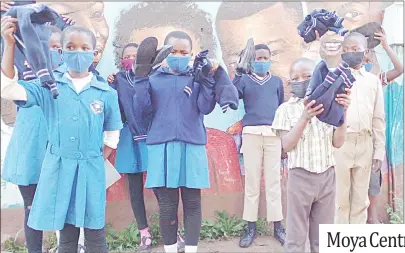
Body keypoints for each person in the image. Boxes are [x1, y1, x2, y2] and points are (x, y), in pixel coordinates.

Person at [1, 22, 122, 252]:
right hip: (59, 170)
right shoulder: (48, 86)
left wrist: (93, 159)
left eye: (84, 47)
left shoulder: (106, 93)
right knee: (67, 236)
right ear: (62, 51)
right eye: (71, 46)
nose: (78, 52)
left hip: (92, 170)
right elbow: (9, 90)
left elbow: (112, 137)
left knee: (96, 235)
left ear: (94, 53)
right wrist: (8, 45)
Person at [132, 31, 217, 253]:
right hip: (162, 147)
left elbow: (206, 107)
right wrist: (141, 78)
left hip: (192, 145)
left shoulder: (196, 77)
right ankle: (170, 249)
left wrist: (207, 80)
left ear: (191, 54)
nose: (178, 55)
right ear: (164, 52)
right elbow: (141, 112)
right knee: (168, 206)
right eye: (173, 51)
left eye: (184, 52)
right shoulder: (153, 78)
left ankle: (191, 250)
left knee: (192, 203)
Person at [107, 42, 185, 252]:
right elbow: (113, 108)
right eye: (127, 55)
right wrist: (109, 84)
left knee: (162, 190)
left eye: (135, 55)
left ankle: (172, 231)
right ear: (121, 59)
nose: (131, 58)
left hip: (152, 138)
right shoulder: (118, 80)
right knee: (135, 191)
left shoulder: (152, 77)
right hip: (128, 139)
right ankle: (144, 234)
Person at [271, 57, 351, 252]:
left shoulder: (329, 105)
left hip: (326, 177)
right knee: (296, 239)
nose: (302, 81)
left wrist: (343, 113)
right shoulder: (285, 110)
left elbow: (338, 142)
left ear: (317, 77)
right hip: (300, 178)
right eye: (296, 78)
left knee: (322, 239)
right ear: (289, 83)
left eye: (307, 76)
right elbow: (286, 145)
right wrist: (305, 117)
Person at [1, 21, 66, 253]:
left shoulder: (74, 81)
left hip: (62, 152)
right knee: (32, 209)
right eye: (45, 47)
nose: (52, 52)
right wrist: (9, 45)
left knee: (65, 207)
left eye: (58, 47)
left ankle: (67, 247)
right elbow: (7, 85)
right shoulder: (30, 83)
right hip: (30, 151)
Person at [233, 43, 285, 247]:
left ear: (270, 59)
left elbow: (281, 109)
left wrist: (283, 139)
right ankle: (250, 227)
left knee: (274, 182)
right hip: (251, 134)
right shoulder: (245, 80)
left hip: (273, 135)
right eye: (257, 58)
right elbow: (233, 96)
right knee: (252, 182)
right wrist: (237, 73)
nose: (261, 62)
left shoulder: (277, 82)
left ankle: (278, 227)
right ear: (251, 61)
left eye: (265, 58)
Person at [334, 32, 385, 224]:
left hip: (365, 144)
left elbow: (378, 118)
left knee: (360, 200)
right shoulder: (336, 78)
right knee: (340, 199)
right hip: (340, 143)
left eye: (355, 49)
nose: (350, 53)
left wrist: (378, 151)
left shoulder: (372, 81)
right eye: (345, 50)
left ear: (366, 53)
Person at [363, 28, 403, 224]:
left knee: (373, 181)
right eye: (364, 56)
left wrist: (385, 45)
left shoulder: (375, 81)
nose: (367, 59)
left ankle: (372, 219)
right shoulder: (345, 79)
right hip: (351, 140)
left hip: (372, 140)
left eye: (369, 55)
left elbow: (399, 69)